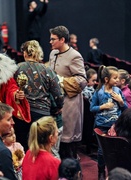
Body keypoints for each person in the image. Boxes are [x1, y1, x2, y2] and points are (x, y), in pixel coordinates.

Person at [15, 40, 64, 154]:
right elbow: (58, 94)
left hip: (22, 114)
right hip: (42, 115)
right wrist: (58, 108)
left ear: (25, 54)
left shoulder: (17, 68)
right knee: (42, 150)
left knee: (23, 149)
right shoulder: (48, 70)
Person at [49, 25, 87, 160]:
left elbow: (82, 80)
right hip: (54, 103)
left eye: (53, 39)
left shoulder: (75, 56)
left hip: (69, 103)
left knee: (67, 142)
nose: (50, 42)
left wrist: (61, 81)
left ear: (62, 39)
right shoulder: (53, 53)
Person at [90, 65, 127, 179]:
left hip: (116, 126)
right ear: (106, 79)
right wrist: (103, 106)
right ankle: (101, 172)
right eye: (115, 78)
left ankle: (116, 173)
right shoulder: (99, 92)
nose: (117, 80)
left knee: (117, 151)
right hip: (102, 126)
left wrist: (121, 101)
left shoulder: (118, 91)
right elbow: (92, 108)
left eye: (118, 78)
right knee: (102, 151)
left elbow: (125, 109)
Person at [22, 116, 60, 180]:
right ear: (51, 138)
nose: (58, 133)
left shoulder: (29, 153)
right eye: (56, 132)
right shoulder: (53, 162)